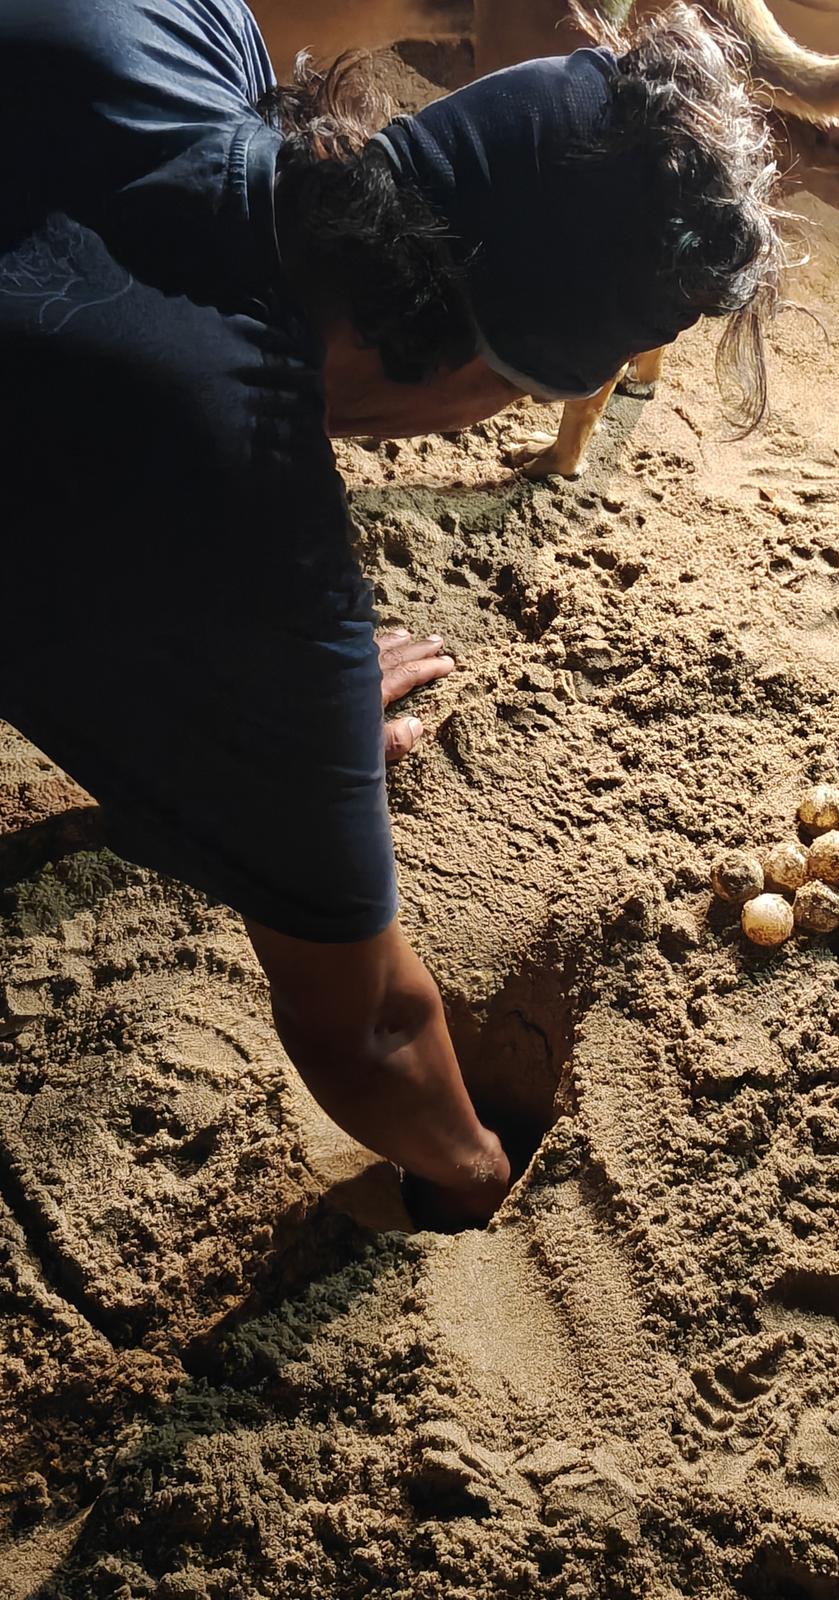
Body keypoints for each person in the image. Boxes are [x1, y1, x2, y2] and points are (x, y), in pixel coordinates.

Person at [0, 0, 781, 1220]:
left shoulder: (185, 27)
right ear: (484, 376)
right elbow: (365, 1030)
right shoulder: (250, 534)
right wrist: (477, 1170)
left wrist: (261, 706)